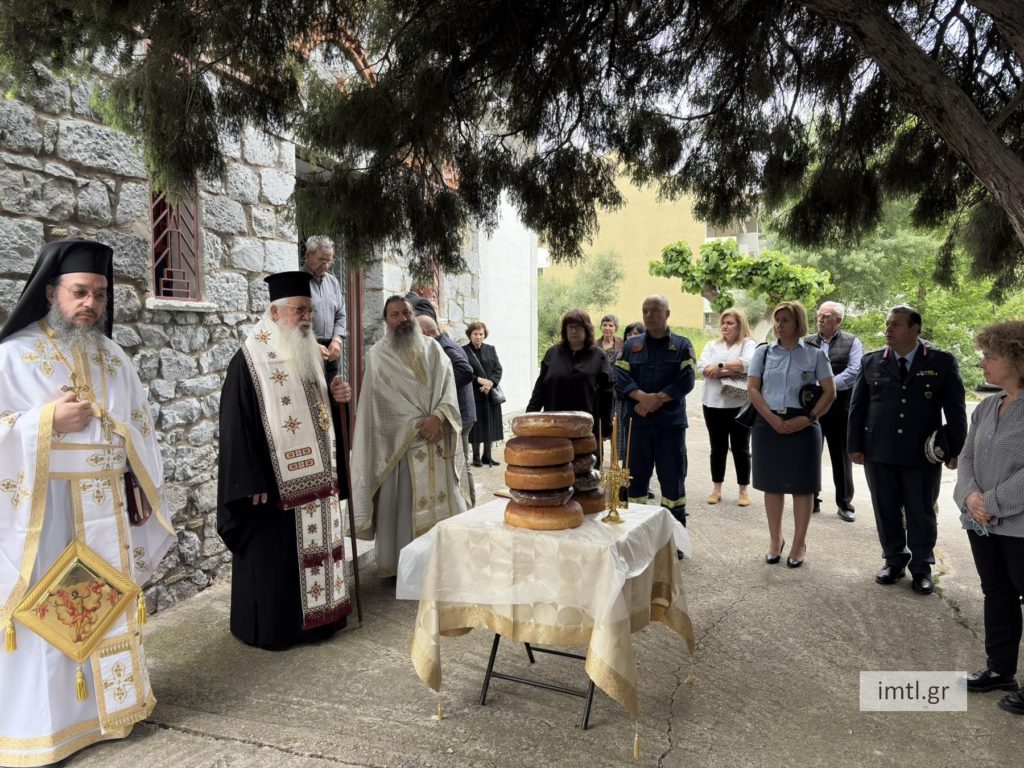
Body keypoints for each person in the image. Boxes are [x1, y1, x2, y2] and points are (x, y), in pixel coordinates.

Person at [0, 239, 175, 766]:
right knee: (42, 613)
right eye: (80, 292)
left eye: (99, 294)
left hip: (106, 514)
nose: (90, 304)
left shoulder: (113, 357)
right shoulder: (12, 357)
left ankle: (106, 714)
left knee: (104, 605)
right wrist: (45, 423)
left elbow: (140, 433)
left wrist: (140, 486)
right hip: (42, 514)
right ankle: (40, 730)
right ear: (52, 292)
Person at [217, 272, 352, 649]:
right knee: (276, 564)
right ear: (275, 313)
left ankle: (323, 620)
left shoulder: (312, 351)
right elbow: (235, 423)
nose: (307, 317)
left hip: (316, 480)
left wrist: (338, 397)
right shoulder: (249, 360)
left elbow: (322, 416)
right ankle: (276, 629)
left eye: (309, 309)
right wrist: (251, 479)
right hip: (272, 487)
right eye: (299, 310)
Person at [849, 305, 967, 595]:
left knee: (921, 511)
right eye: (887, 324)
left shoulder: (941, 362)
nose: (888, 329)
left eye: (896, 325)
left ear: (915, 329)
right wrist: (854, 445)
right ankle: (893, 560)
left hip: (922, 453)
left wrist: (954, 449)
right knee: (885, 508)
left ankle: (922, 567)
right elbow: (858, 407)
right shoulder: (871, 361)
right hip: (879, 451)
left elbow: (955, 410)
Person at [350, 296, 467, 577]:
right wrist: (417, 425)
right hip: (399, 451)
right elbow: (378, 406)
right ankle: (405, 569)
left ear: (414, 316)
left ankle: (443, 563)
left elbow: (448, 388)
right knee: (401, 511)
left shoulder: (433, 349)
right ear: (386, 321)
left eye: (407, 313)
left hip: (436, 442)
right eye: (395, 314)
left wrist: (438, 417)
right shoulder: (377, 356)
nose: (402, 319)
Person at [952, 321, 1024, 714]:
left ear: (1016, 359)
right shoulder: (987, 406)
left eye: (990, 357)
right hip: (981, 524)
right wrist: (969, 497)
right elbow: (966, 460)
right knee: (997, 595)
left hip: (1018, 525)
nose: (983, 364)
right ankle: (1000, 671)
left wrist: (990, 502)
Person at [748, 301, 836, 568]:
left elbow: (830, 392)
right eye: (777, 320)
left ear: (799, 323)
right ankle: (776, 540)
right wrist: (773, 419)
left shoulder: (815, 355)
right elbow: (753, 389)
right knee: (771, 484)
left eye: (785, 320)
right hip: (768, 422)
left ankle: (799, 543)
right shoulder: (763, 353)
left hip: (804, 424)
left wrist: (808, 419)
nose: (779, 325)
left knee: (802, 486)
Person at [614, 296, 696, 524]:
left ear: (667, 313)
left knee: (673, 484)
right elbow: (619, 376)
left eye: (655, 311)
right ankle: (632, 534)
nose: (649, 315)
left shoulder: (682, 345)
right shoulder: (631, 345)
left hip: (670, 426)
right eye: (645, 311)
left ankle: (674, 540)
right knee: (633, 482)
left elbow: (687, 379)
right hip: (638, 425)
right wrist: (641, 397)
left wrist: (656, 400)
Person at [301, 235, 350, 500]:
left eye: (330, 262)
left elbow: (341, 314)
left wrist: (338, 338)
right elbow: (294, 319)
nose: (326, 267)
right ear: (308, 256)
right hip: (306, 350)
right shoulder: (297, 282)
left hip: (332, 350)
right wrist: (309, 344)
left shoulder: (332, 281)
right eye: (321, 261)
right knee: (312, 408)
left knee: (335, 407)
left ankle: (336, 471)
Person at [804, 301, 863, 522]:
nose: (820, 318)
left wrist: (826, 386)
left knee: (841, 458)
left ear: (838, 320)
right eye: (819, 315)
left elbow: (854, 371)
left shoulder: (852, 341)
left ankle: (845, 503)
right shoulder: (807, 341)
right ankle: (811, 499)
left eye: (826, 316)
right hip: (813, 409)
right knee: (810, 456)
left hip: (840, 409)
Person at [527, 309, 613, 449]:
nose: (573, 331)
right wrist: (530, 419)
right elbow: (540, 389)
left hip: (586, 429)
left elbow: (607, 395)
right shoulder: (553, 353)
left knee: (585, 467)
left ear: (586, 330)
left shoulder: (599, 356)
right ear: (565, 330)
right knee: (556, 466)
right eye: (570, 327)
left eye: (578, 327)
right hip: (554, 427)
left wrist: (605, 429)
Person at [698, 307, 757, 507]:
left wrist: (720, 367)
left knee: (741, 448)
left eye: (730, 323)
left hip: (739, 405)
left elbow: (748, 364)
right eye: (723, 322)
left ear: (740, 325)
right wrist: (730, 369)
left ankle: (743, 490)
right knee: (717, 447)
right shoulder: (712, 344)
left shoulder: (748, 344)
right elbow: (702, 368)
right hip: (712, 403)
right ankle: (716, 489)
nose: (725, 326)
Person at [418, 314, 478, 507]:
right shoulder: (443, 343)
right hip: (461, 412)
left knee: (461, 463)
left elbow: (466, 371)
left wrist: (443, 390)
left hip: (460, 414)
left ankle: (469, 507)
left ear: (425, 332)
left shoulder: (445, 347)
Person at [463, 321, 504, 467]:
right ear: (470, 335)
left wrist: (490, 384)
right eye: (475, 334)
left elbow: (498, 369)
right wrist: (479, 380)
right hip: (474, 394)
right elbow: (463, 372)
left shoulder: (490, 349)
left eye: (481, 334)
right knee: (476, 426)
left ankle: (488, 456)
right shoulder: (464, 351)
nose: (478, 337)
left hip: (489, 394)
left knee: (489, 425)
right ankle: (476, 458)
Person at [615, 322, 645, 461]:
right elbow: (620, 377)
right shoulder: (622, 353)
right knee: (622, 434)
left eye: (636, 334)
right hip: (624, 401)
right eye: (630, 334)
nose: (633, 337)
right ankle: (625, 467)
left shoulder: (647, 354)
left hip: (644, 404)